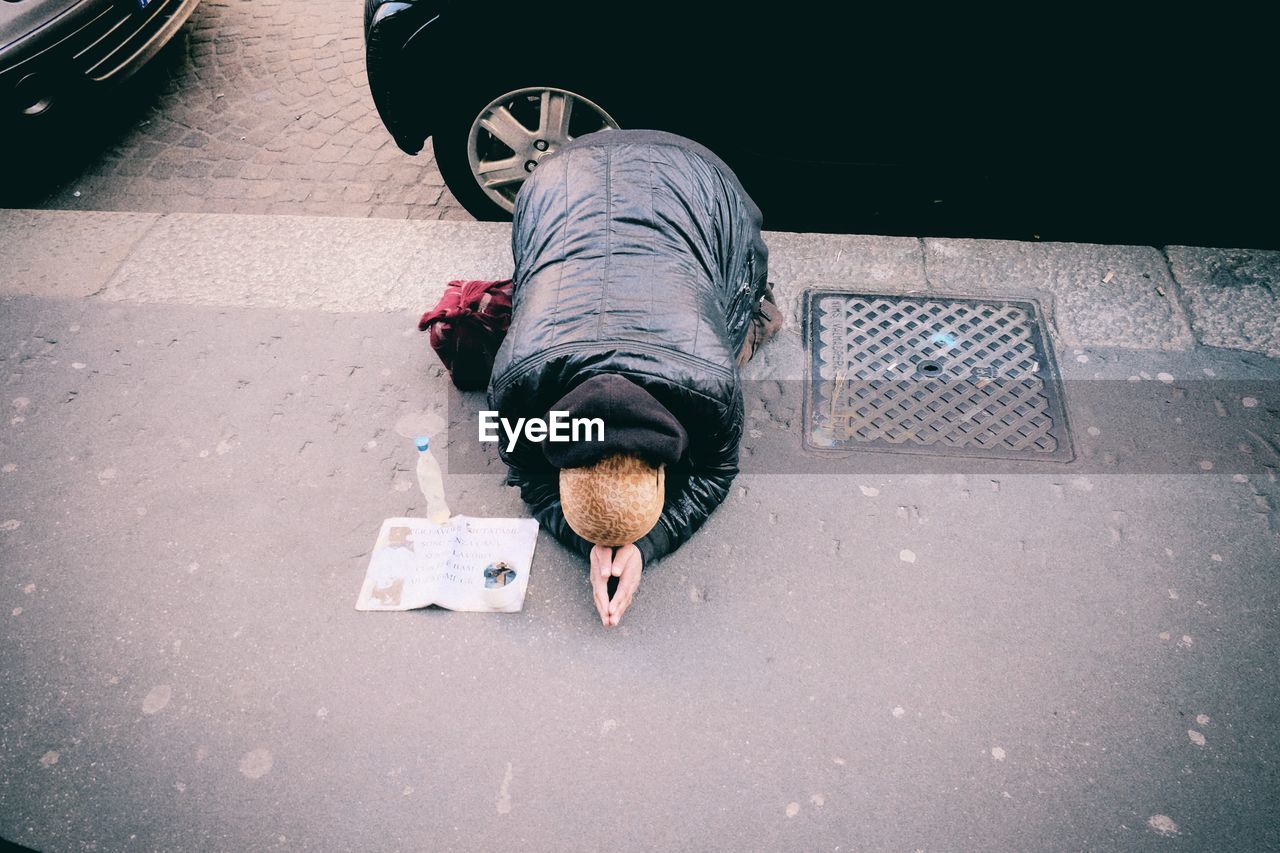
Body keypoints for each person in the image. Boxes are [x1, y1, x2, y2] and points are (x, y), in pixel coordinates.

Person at [487, 129, 779, 628]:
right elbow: (526, 476)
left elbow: (716, 473)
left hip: (689, 181)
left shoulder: (712, 386)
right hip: (560, 179)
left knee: (748, 317)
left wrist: (639, 545)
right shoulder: (512, 388)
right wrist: (617, 544)